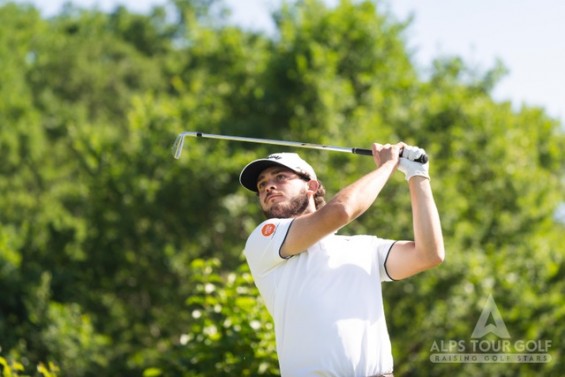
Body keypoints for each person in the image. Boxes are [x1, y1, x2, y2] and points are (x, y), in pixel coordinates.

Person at [239, 142, 445, 377]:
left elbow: (429, 254)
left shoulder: (364, 247)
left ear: (312, 186)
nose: (269, 187)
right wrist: (388, 165)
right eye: (262, 184)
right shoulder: (264, 239)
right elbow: (341, 211)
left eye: (281, 177)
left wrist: (417, 175)